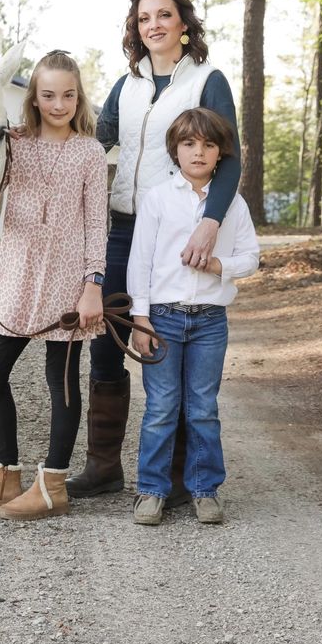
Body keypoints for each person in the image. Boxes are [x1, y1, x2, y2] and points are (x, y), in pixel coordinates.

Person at [67, 0, 242, 503]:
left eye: (164, 15)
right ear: (136, 28)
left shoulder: (208, 81)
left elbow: (229, 160)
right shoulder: (128, 85)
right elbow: (93, 143)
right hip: (123, 227)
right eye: (144, 18)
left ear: (184, 24)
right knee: (108, 337)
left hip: (178, 230)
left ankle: (181, 476)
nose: (154, 25)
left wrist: (209, 222)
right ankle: (103, 465)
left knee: (174, 346)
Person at [0, 50, 109, 521]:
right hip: (18, 273)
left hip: (67, 278)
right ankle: (4, 475)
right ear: (34, 98)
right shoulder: (14, 144)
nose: (58, 104)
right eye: (48, 95)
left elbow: (96, 224)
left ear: (78, 98)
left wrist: (92, 284)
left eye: (68, 95)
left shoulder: (89, 152)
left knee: (60, 382)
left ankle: (53, 483)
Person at [128, 108, 259, 525]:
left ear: (221, 154)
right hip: (163, 318)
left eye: (208, 145)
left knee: (202, 407)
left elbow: (251, 258)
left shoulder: (232, 205)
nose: (198, 152)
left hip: (209, 321)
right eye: (189, 144)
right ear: (175, 150)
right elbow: (140, 263)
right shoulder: (157, 199)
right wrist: (141, 319)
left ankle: (205, 490)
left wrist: (220, 267)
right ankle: (151, 491)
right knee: (162, 406)